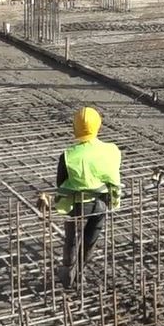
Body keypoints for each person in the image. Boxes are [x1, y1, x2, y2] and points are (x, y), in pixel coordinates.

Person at [52, 107, 122, 289]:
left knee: (72, 240)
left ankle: (68, 272)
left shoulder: (68, 155)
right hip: (100, 204)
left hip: (76, 205)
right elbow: (114, 175)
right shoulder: (111, 150)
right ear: (99, 126)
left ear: (75, 127)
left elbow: (60, 183)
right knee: (90, 238)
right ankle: (81, 272)